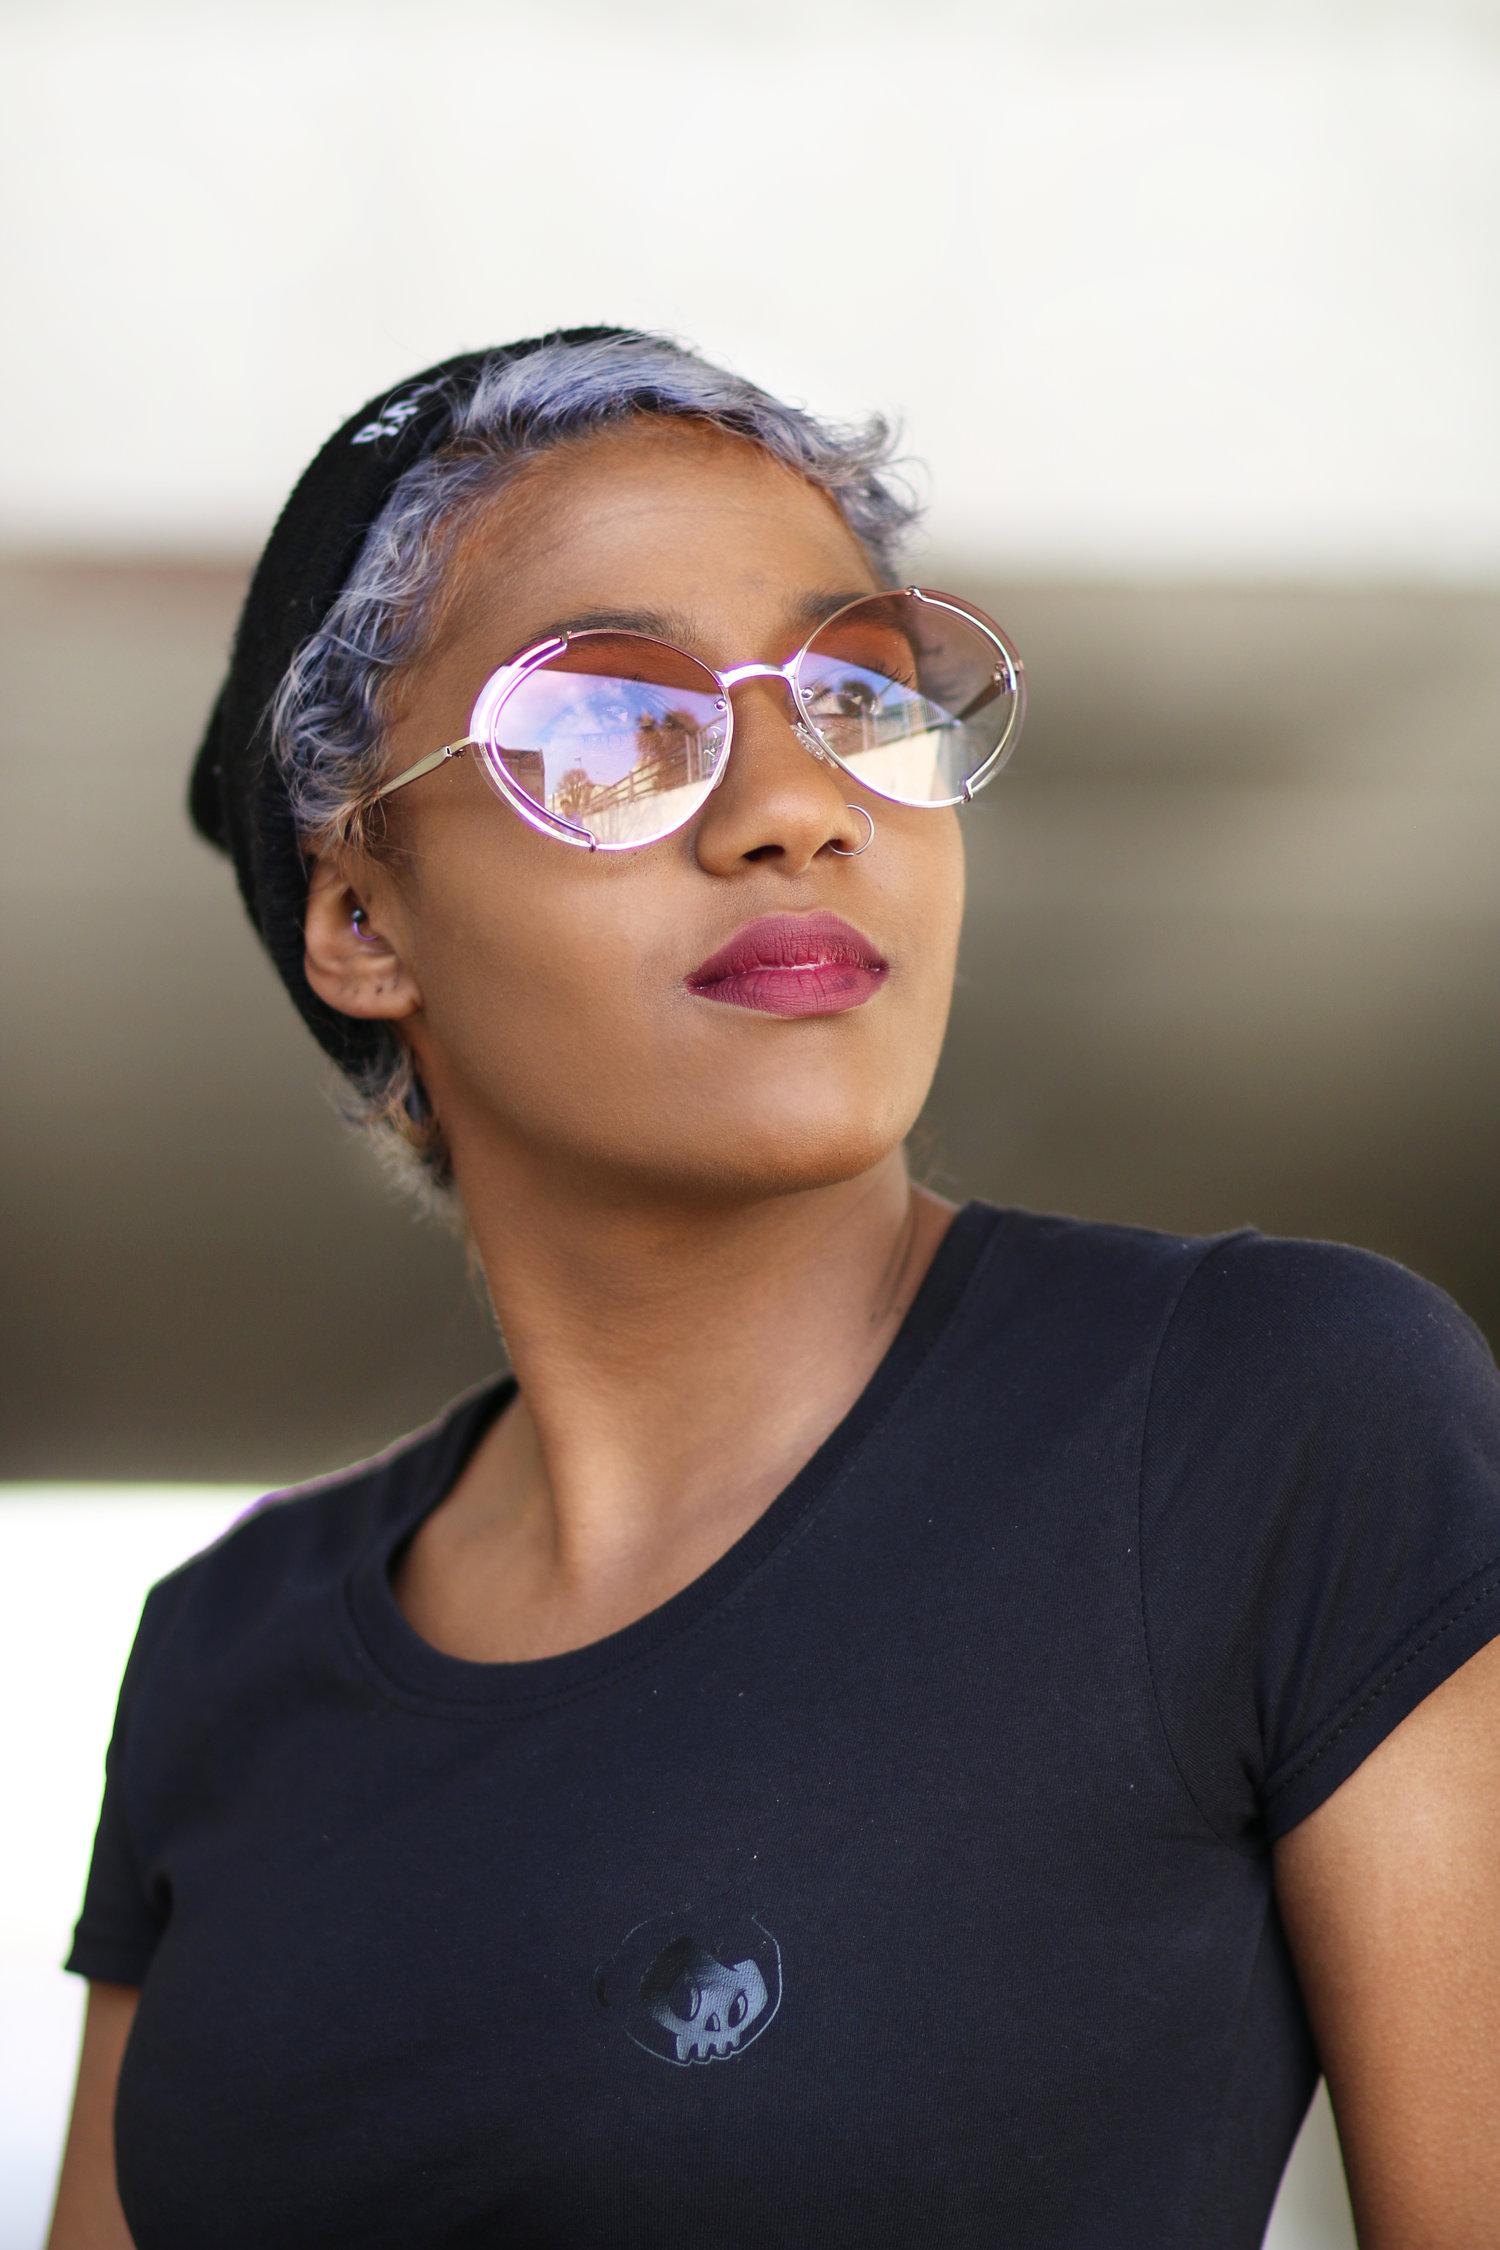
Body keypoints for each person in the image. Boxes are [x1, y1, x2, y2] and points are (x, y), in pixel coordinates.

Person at [48, 328, 1500, 2250]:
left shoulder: (1265, 1421)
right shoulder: (224, 1657)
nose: (797, 802)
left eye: (855, 691)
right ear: (364, 915)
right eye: (608, 727)